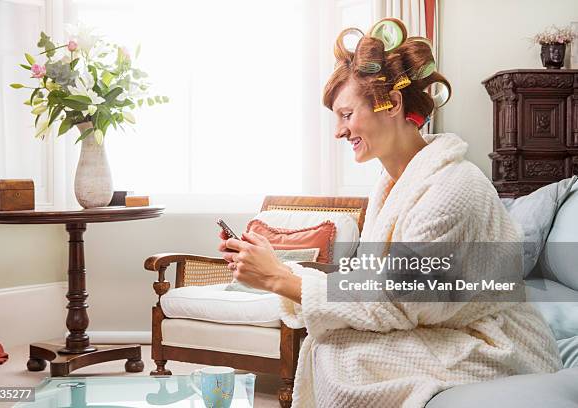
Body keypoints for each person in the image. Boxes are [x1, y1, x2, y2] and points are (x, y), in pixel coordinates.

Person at [218, 18, 561, 408]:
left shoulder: (453, 187)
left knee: (342, 357)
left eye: (346, 115)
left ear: (392, 104)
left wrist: (279, 279)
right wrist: (278, 266)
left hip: (491, 340)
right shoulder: (391, 183)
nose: (338, 132)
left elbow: (396, 297)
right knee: (328, 344)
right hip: (439, 321)